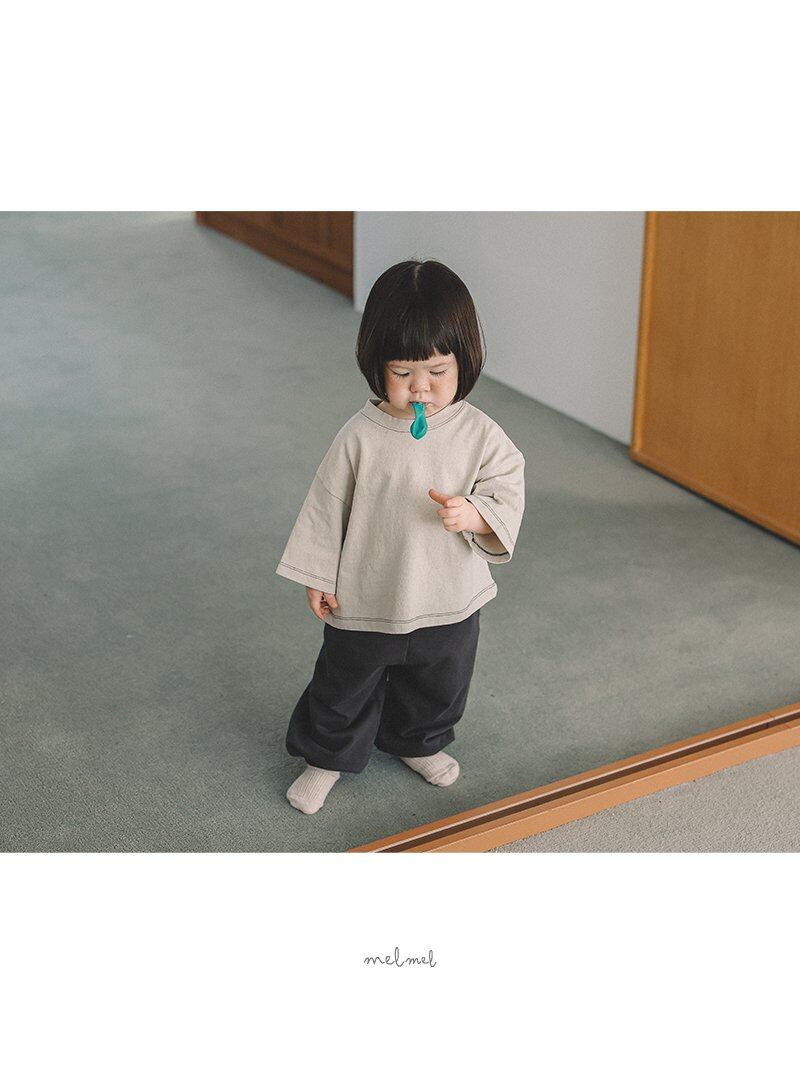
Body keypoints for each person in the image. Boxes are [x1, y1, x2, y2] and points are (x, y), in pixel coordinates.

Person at [275, 260, 526, 813]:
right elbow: (327, 505)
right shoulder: (360, 436)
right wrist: (318, 574)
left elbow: (507, 484)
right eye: (403, 371)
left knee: (440, 681)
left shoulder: (479, 433)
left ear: (465, 361)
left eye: (437, 370)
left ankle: (418, 741)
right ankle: (326, 757)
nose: (421, 387)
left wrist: (477, 513)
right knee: (345, 681)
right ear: (376, 365)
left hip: (449, 593)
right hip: (369, 591)